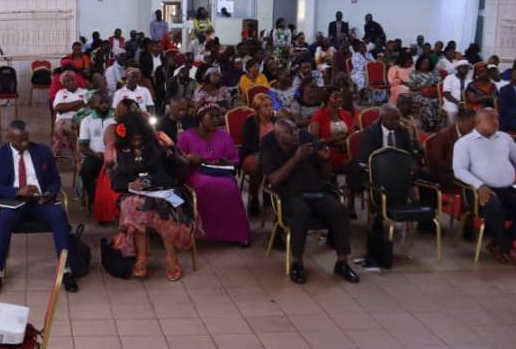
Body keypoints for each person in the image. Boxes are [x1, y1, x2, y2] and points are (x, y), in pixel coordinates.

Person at [0, 121, 77, 296]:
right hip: (15, 204)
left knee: (59, 215)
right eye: (19, 140)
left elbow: (55, 180)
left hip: (40, 202)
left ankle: (67, 271)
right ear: (9, 137)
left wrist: (49, 193)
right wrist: (16, 191)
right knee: (3, 220)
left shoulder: (42, 151)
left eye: (26, 139)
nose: (24, 143)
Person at [261, 119, 358, 284]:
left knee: (340, 210)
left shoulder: (308, 148)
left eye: (296, 130)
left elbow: (327, 176)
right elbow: (275, 179)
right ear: (278, 137)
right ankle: (297, 263)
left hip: (317, 193)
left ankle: (342, 262)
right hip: (290, 196)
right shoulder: (271, 153)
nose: (296, 134)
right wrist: (296, 158)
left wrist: (325, 160)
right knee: (301, 211)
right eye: (290, 132)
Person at [111, 113, 195, 282]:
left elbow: (182, 170)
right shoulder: (122, 151)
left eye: (139, 138)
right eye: (132, 139)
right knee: (133, 205)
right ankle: (142, 257)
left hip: (166, 191)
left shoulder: (158, 145)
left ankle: (172, 259)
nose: (136, 142)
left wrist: (172, 149)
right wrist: (131, 185)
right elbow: (116, 181)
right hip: (138, 194)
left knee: (165, 210)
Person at [453, 109, 516, 266]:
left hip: (508, 189)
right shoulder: (465, 142)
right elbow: (459, 170)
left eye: (496, 119)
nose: (495, 122)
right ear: (478, 122)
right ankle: (508, 248)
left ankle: (497, 244)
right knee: (494, 206)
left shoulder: (505, 138)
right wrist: (479, 185)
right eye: (490, 119)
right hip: (480, 190)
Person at [179, 103, 250, 245]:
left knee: (229, 186)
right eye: (211, 116)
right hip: (196, 172)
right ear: (200, 117)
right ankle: (203, 232)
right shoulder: (186, 136)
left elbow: (234, 159)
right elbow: (178, 159)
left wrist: (223, 161)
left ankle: (238, 234)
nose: (216, 120)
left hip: (219, 171)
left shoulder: (224, 135)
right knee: (202, 184)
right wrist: (189, 158)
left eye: (218, 116)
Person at [77, 92, 115, 207]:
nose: (105, 105)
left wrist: (111, 154)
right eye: (101, 103)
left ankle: (114, 200)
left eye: (107, 102)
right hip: (94, 156)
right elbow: (83, 146)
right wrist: (97, 155)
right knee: (86, 171)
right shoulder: (87, 121)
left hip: (114, 155)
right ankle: (96, 199)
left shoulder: (116, 119)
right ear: (92, 105)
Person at [428, 108, 477, 188]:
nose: (472, 131)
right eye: (470, 127)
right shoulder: (444, 135)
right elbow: (436, 161)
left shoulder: (469, 135)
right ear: (460, 121)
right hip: (448, 176)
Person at [308, 88, 354, 173]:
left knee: (360, 162)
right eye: (336, 97)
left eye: (340, 97)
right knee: (353, 166)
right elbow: (314, 142)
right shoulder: (318, 115)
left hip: (347, 150)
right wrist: (332, 139)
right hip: (328, 152)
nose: (339, 99)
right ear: (327, 99)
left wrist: (346, 141)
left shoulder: (346, 114)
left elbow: (352, 134)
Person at [52, 71, 87, 159]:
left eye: (73, 80)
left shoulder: (84, 92)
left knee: (81, 126)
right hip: (63, 119)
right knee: (65, 126)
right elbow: (58, 108)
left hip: (81, 118)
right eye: (68, 81)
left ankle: (78, 153)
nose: (71, 82)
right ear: (63, 84)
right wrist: (77, 102)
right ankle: (74, 153)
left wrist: (66, 108)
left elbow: (86, 106)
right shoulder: (60, 93)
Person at [407, 56, 442, 131]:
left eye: (427, 63)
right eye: (424, 63)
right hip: (418, 93)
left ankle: (431, 122)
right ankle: (430, 123)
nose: (426, 65)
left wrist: (431, 88)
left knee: (435, 101)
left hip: (432, 93)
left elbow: (440, 84)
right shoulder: (414, 73)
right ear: (419, 63)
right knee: (428, 102)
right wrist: (423, 88)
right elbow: (411, 87)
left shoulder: (435, 73)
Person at [442, 60, 472, 124]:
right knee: (452, 111)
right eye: (463, 67)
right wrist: (458, 102)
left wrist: (465, 103)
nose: (465, 70)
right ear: (458, 68)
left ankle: (466, 127)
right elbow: (446, 93)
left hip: (466, 102)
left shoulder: (470, 81)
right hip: (451, 101)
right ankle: (453, 127)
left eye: (467, 68)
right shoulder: (449, 78)